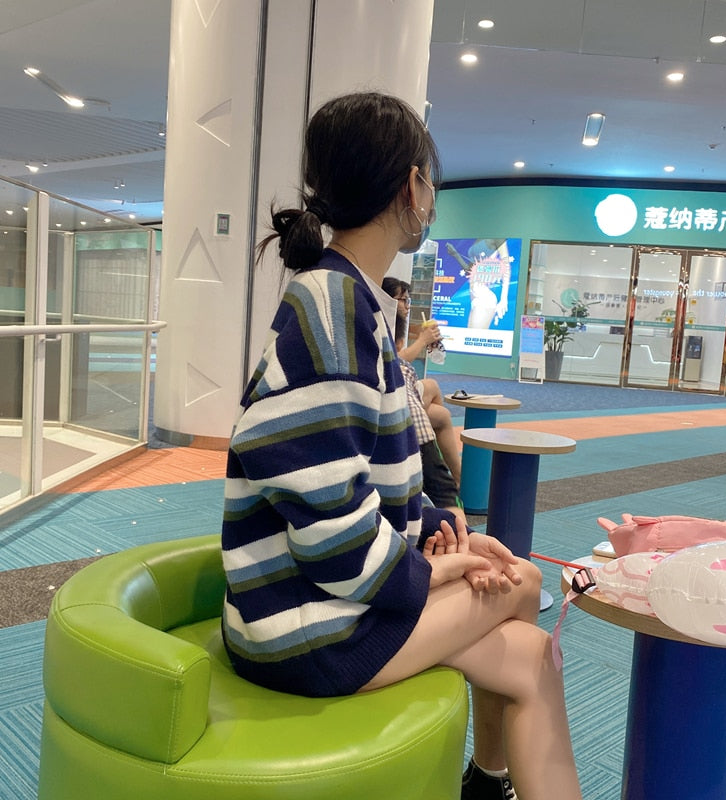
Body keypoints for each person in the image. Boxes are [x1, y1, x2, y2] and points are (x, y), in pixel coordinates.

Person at [221, 91, 582, 800]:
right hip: (304, 631)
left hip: (320, 604)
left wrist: (439, 533)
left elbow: (362, 479)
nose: (433, 202)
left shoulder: (348, 299)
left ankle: (488, 781)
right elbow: (332, 537)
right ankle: (489, 781)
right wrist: (438, 570)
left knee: (531, 638)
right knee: (522, 594)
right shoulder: (334, 309)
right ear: (412, 187)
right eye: (431, 186)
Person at [382, 276, 462, 485]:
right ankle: (451, 475)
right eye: (403, 300)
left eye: (408, 300)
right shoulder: (380, 323)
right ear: (387, 299)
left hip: (396, 391)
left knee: (441, 412)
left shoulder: (394, 323)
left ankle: (447, 473)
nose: (407, 306)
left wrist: (424, 338)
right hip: (388, 396)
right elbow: (395, 361)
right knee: (439, 408)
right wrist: (423, 340)